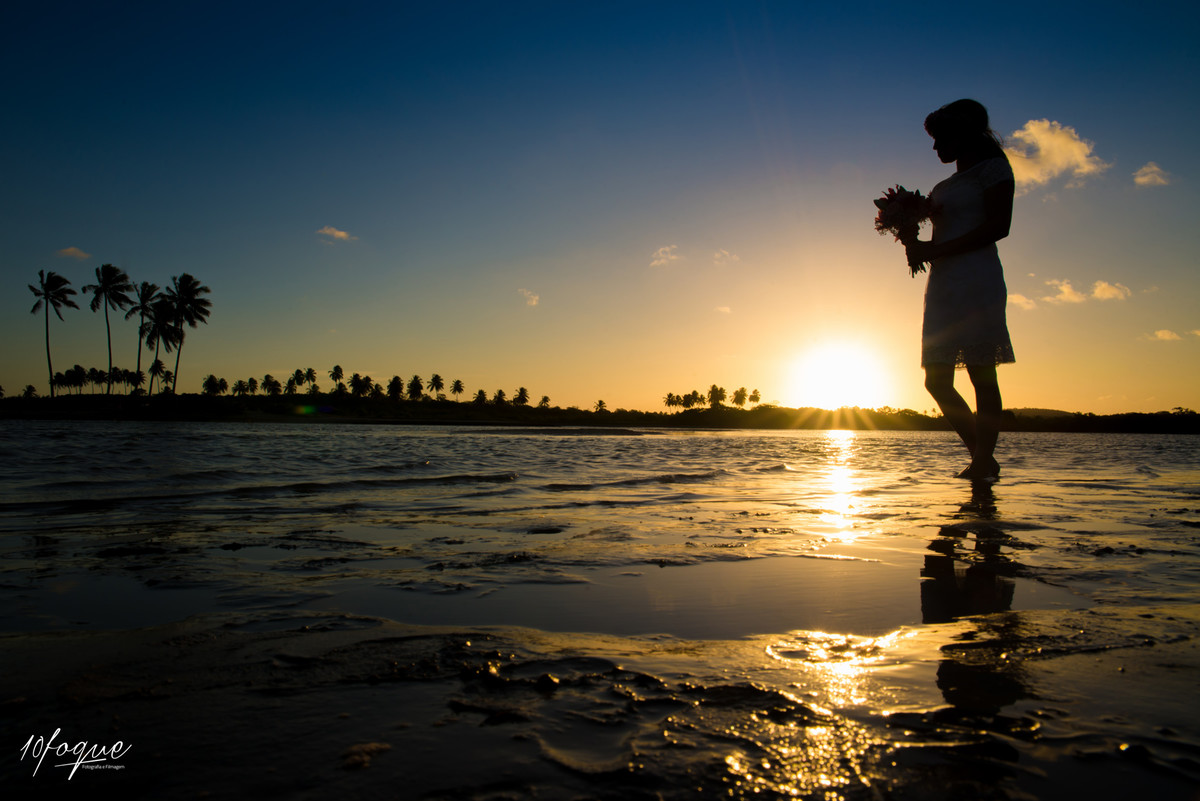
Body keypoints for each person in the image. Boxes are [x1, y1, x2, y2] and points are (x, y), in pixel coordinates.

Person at [906, 99, 1015, 481]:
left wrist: (938, 251)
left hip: (976, 278)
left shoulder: (994, 169)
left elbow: (999, 226)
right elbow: (934, 237)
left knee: (981, 374)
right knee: (935, 380)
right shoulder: (943, 185)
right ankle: (982, 456)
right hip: (943, 285)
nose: (935, 148)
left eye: (941, 139)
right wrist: (911, 239)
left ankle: (983, 460)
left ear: (963, 135)